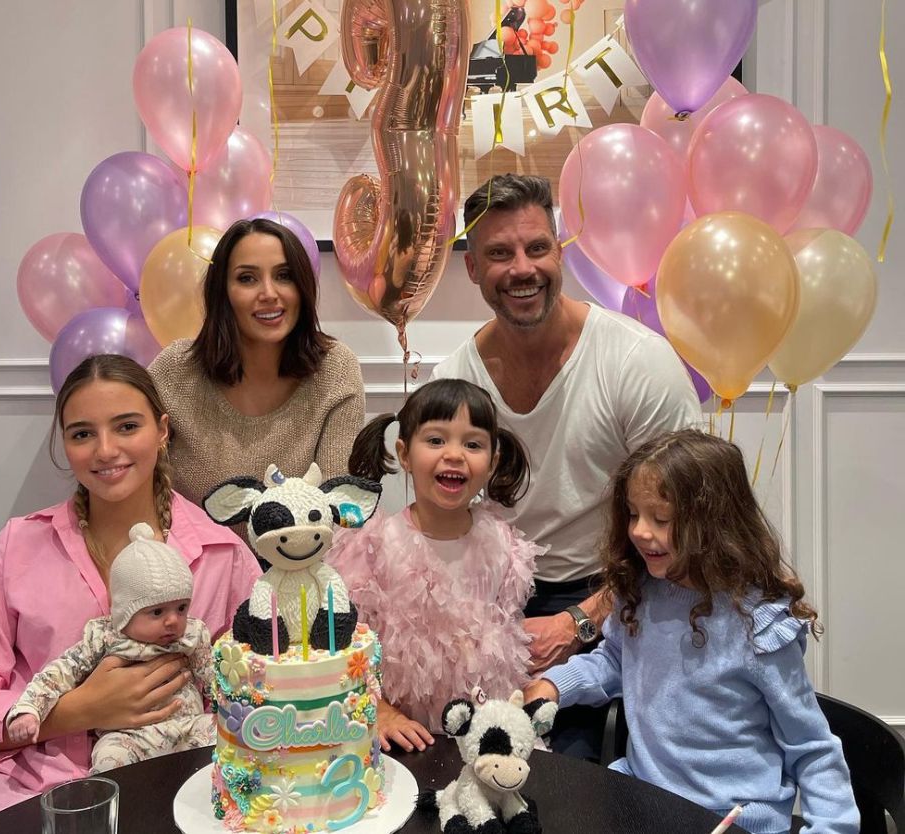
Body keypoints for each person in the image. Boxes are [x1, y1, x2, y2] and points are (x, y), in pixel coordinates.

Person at [0, 355, 261, 834]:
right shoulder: (17, 547)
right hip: (13, 793)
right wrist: (77, 711)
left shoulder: (222, 555)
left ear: (162, 431)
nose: (105, 450)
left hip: (171, 789)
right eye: (82, 433)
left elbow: (253, 690)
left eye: (127, 426)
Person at [431, 174, 702, 756]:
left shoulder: (636, 363)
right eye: (499, 254)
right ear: (472, 268)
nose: (522, 269)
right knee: (447, 757)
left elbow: (690, 526)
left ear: (559, 251)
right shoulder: (454, 379)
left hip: (621, 589)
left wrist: (580, 621)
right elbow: (439, 526)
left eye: (537, 247)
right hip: (492, 597)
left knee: (561, 775)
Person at [524, 429, 859, 834]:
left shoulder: (758, 623)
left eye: (661, 519)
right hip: (642, 801)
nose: (639, 531)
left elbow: (812, 747)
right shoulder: (641, 592)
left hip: (731, 820)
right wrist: (555, 685)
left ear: (713, 524)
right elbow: (614, 660)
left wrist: (833, 826)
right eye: (633, 514)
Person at [328, 378, 543, 753]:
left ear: (492, 462)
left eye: (472, 444)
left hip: (485, 743)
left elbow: (507, 649)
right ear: (404, 454)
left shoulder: (504, 546)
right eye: (436, 440)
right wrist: (379, 710)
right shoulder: (373, 546)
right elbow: (341, 649)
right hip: (403, 740)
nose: (455, 454)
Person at [148, 217, 366, 514]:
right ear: (222, 291)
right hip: (186, 544)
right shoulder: (175, 370)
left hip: (307, 544)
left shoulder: (336, 369)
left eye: (284, 275)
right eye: (247, 278)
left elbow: (335, 509)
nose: (269, 293)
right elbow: (141, 485)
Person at [7, 523, 216, 772]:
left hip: (188, 726)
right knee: (109, 757)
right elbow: (60, 673)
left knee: (226, 736)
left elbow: (212, 676)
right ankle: (125, 794)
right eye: (157, 611)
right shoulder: (103, 638)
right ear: (124, 613)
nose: (173, 620)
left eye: (181, 608)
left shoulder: (192, 635)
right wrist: (29, 710)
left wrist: (233, 704)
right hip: (129, 736)